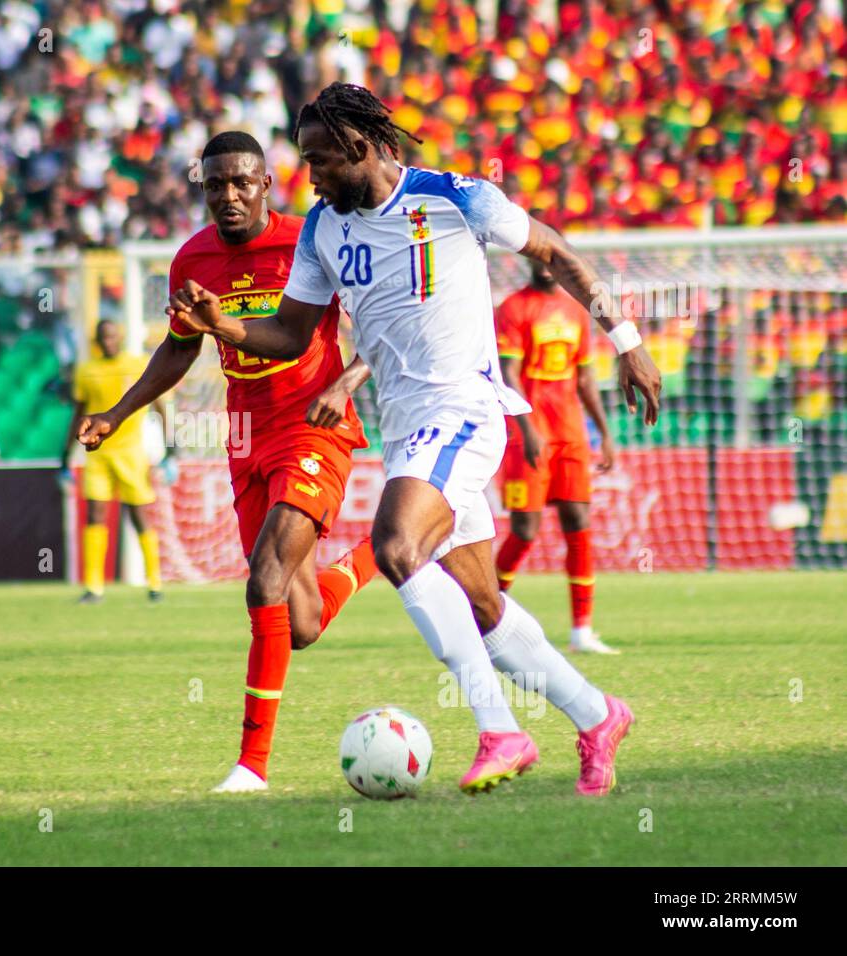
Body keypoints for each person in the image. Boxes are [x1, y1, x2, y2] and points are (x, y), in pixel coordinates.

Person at [170, 83, 662, 796]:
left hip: (464, 407)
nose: (310, 177)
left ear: (360, 149)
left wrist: (625, 340)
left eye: (319, 161)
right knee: (483, 603)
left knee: (398, 547)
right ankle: (597, 715)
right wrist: (225, 327)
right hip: (404, 429)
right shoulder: (322, 229)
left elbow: (554, 252)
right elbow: (290, 334)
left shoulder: (455, 197)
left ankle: (501, 731)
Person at [77, 132, 380, 794]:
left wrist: (349, 380)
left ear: (267, 184)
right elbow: (180, 350)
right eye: (216, 185)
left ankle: (251, 766)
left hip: (312, 427)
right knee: (297, 624)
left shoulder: (313, 239)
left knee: (263, 580)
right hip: (244, 437)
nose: (229, 195)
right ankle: (374, 558)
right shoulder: (192, 258)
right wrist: (118, 413)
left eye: (242, 182)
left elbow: (389, 320)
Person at [494, 260, 619, 654]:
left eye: (552, 259)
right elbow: (508, 373)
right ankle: (484, 617)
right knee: (525, 531)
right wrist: (527, 428)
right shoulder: (513, 308)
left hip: (569, 432)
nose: (546, 266)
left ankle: (582, 630)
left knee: (578, 523)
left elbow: (585, 379)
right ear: (529, 259)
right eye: (539, 258)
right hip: (529, 436)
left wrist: (605, 434)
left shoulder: (575, 310)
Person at [63, 319, 165, 604]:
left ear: (119, 337)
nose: (108, 341)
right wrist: (65, 456)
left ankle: (154, 583)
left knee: (138, 516)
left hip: (131, 452)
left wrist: (173, 449)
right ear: (97, 341)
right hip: (98, 453)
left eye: (112, 336)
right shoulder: (86, 371)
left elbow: (158, 404)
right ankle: (94, 587)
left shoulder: (138, 364)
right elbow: (78, 413)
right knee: (95, 513)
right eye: (102, 338)